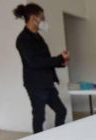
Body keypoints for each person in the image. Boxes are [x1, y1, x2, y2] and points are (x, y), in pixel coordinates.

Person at [14, 3, 69, 133]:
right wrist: (59, 59)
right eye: (42, 17)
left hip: (47, 82)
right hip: (36, 84)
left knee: (61, 111)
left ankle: (57, 136)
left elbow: (44, 60)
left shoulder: (38, 37)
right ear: (34, 18)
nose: (44, 21)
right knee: (39, 117)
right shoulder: (23, 39)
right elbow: (34, 62)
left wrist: (61, 62)